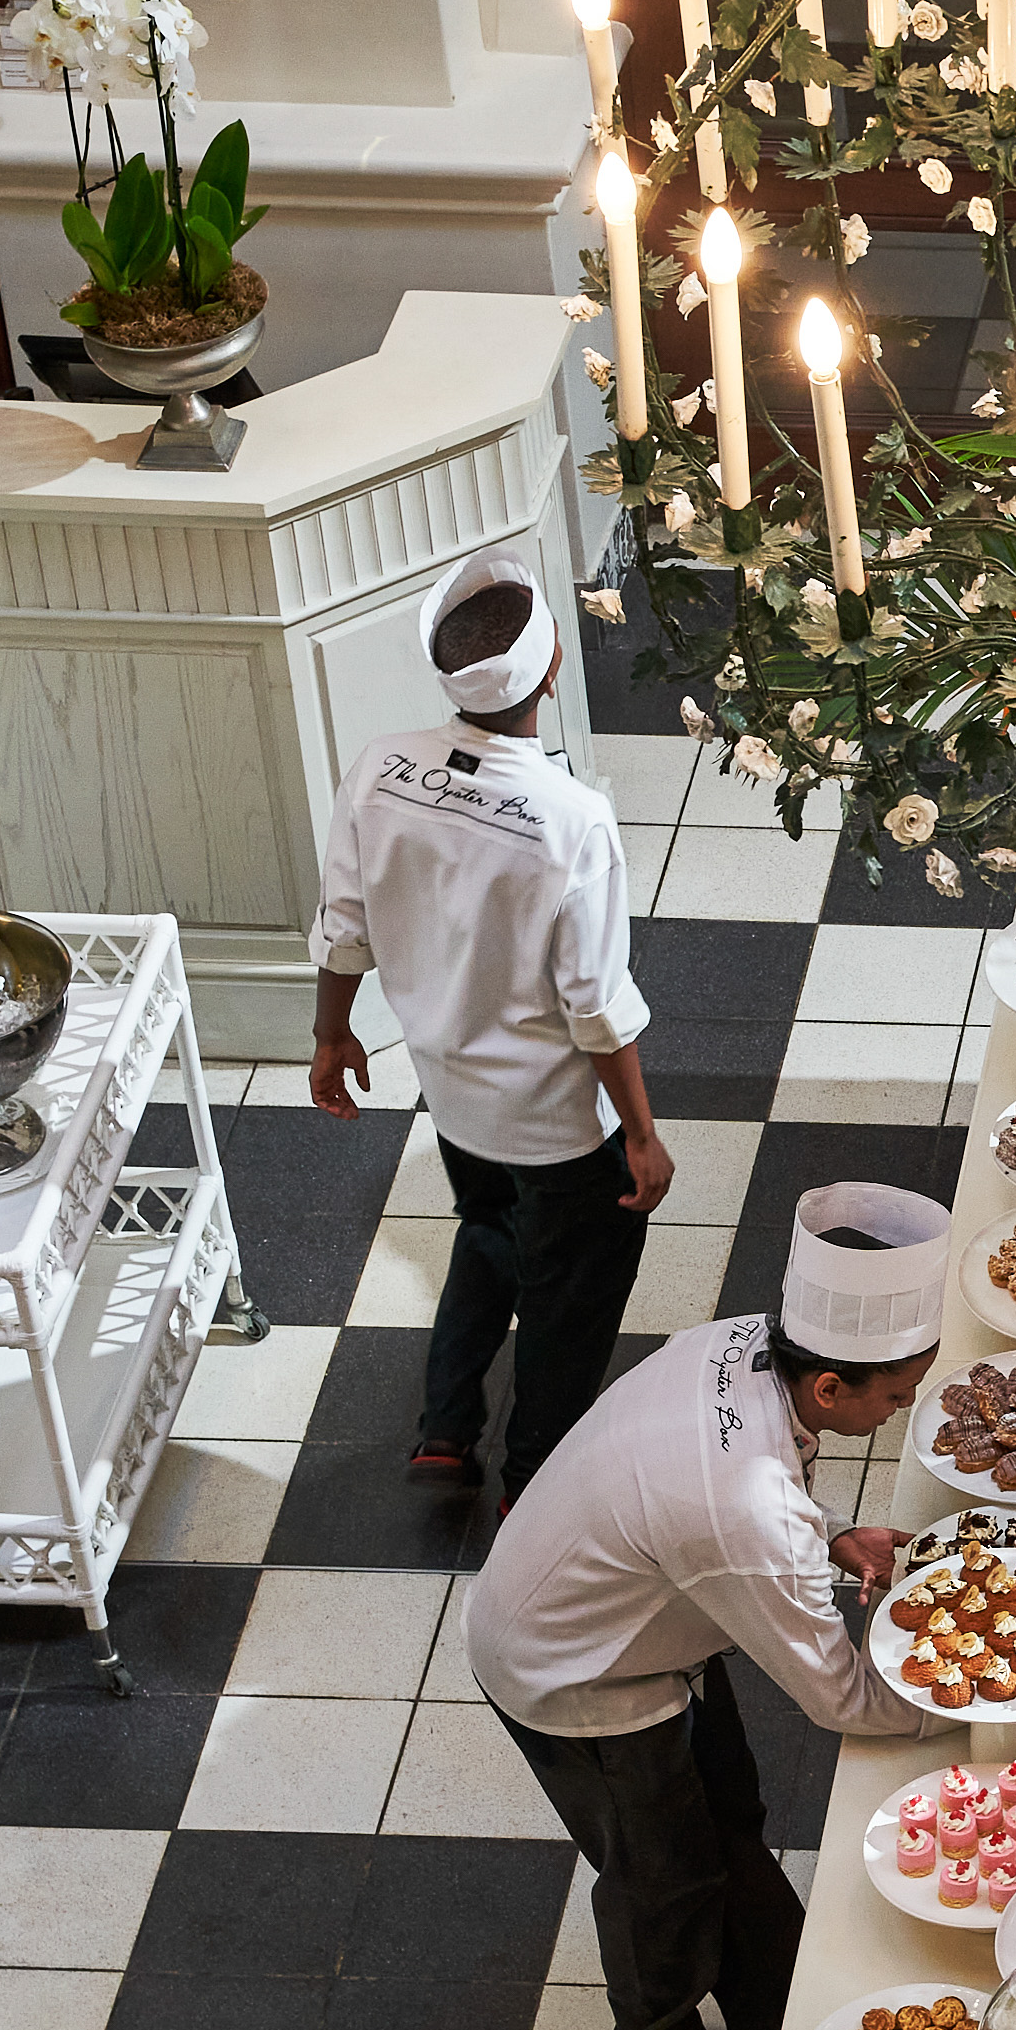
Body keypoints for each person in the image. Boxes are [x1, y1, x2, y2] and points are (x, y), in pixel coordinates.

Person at [463, 1184, 954, 2030]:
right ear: (828, 1387)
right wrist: (970, 1706)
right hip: (575, 1670)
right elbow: (840, 1698)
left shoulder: (739, 1343)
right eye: (896, 1395)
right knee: (661, 1875)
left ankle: (770, 1997)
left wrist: (830, 1533)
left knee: (729, 1812)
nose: (900, 1411)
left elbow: (754, 1501)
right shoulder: (743, 1512)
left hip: (649, 1606)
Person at [308, 546, 671, 1502]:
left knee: (489, 1227)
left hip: (452, 1095)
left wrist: (332, 1035)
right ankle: (535, 1473)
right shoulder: (572, 819)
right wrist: (640, 1134)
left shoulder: (380, 768)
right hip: (558, 1124)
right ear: (552, 670)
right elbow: (596, 1007)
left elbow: (343, 928)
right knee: (571, 1292)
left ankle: (445, 1429)